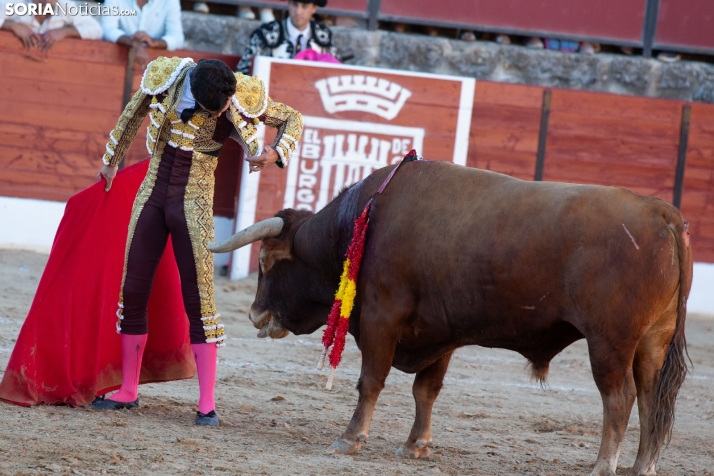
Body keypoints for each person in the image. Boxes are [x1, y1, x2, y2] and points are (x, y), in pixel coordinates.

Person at [92, 56, 303, 426]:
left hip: (195, 201)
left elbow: (292, 118)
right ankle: (128, 390)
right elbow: (133, 112)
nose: (225, 112)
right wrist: (111, 160)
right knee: (134, 288)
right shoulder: (166, 78)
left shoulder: (236, 93)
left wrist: (275, 153)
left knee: (200, 296)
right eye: (216, 109)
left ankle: (207, 403)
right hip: (152, 195)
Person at [237, 0, 336, 75]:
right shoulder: (266, 33)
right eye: (295, 5)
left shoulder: (324, 36)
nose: (298, 11)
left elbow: (334, 73)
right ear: (288, 4)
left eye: (304, 6)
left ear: (314, 8)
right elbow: (243, 72)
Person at [101, 0, 184, 68]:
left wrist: (153, 42)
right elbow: (108, 29)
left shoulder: (170, 1)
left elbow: (178, 38)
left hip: (156, 70)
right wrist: (135, 44)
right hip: (116, 65)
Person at [0, 0, 102, 52]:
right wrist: (12, 26)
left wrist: (64, 32)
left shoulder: (65, 6)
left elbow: (97, 30)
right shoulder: (14, 3)